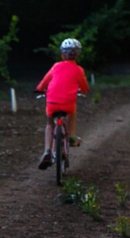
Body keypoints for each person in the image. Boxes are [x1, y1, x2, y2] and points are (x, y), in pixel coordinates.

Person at [36, 38, 90, 170]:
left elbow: (43, 84)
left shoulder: (55, 66)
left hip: (52, 103)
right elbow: (85, 89)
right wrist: (81, 91)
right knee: (72, 112)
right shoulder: (79, 70)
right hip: (68, 104)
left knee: (50, 123)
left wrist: (40, 90)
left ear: (62, 54)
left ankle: (47, 151)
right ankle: (71, 136)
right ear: (78, 55)